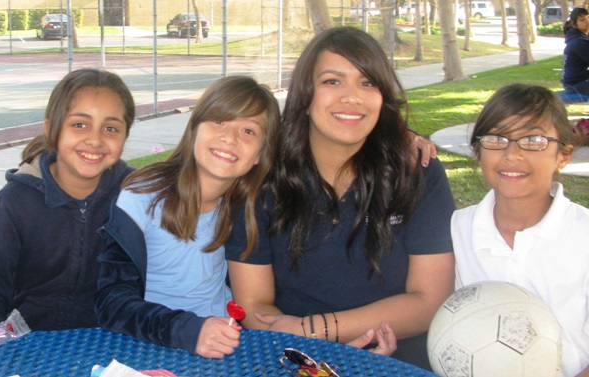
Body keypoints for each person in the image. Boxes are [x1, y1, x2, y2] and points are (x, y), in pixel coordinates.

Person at [225, 26, 456, 370]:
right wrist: (315, 354)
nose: (352, 97)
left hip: (396, 359)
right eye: (333, 81)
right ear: (305, 94)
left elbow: (430, 300)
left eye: (368, 83)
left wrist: (316, 330)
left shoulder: (416, 172)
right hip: (295, 359)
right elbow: (255, 305)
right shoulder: (263, 180)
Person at [94, 76, 281, 359]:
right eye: (219, 120)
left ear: (259, 155)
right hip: (152, 347)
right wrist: (187, 331)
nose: (229, 138)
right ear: (194, 127)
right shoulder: (143, 196)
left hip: (226, 346)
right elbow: (112, 301)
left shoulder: (248, 208)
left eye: (248, 131)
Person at [0, 68, 136, 333]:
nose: (95, 140)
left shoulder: (137, 196)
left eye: (110, 128)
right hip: (29, 351)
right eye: (79, 124)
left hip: (117, 345)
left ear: (125, 135)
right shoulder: (15, 203)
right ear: (51, 129)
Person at [451, 83, 589, 377]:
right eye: (496, 139)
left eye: (534, 140)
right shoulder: (458, 229)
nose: (512, 154)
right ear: (477, 150)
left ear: (563, 156)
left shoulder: (584, 234)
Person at [560, 7, 589, 103]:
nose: (587, 21)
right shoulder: (579, 41)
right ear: (574, 24)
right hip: (576, 84)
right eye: (582, 20)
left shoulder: (580, 37)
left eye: (588, 17)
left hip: (579, 81)